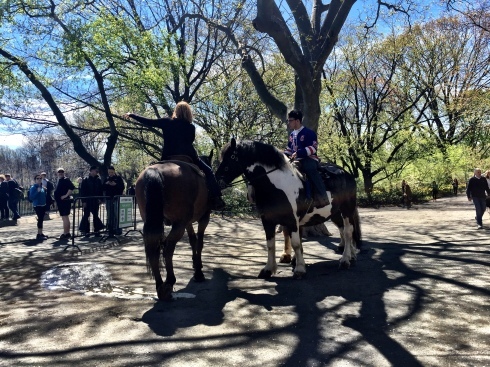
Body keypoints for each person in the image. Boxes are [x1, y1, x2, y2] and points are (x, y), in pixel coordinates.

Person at [124, 101, 226, 210]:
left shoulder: (166, 122)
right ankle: (216, 199)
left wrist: (132, 115)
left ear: (176, 111)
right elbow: (190, 141)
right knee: (209, 171)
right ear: (188, 112)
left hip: (168, 156)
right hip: (188, 156)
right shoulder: (191, 127)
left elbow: (149, 122)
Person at [284, 110, 329, 208]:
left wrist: (299, 153)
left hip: (309, 159)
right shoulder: (292, 135)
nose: (289, 123)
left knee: (309, 168)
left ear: (297, 121)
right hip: (296, 160)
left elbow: (313, 148)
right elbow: (288, 149)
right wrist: (283, 156)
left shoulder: (309, 133)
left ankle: (323, 197)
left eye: (290, 120)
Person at [79, 165, 105, 237]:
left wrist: (101, 199)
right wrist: (83, 201)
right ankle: (86, 231)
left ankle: (97, 230)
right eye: (95, 171)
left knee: (95, 215)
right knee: (86, 215)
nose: (96, 172)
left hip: (95, 201)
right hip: (87, 201)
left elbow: (100, 190)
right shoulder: (85, 180)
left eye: (97, 171)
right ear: (91, 171)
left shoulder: (98, 180)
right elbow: (82, 191)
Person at [54, 168, 75, 240]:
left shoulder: (66, 179)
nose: (60, 173)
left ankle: (66, 233)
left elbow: (72, 187)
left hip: (65, 201)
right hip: (60, 202)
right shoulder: (59, 180)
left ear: (64, 173)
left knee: (65, 217)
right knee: (64, 217)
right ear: (57, 173)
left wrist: (65, 195)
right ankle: (66, 233)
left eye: (62, 172)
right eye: (59, 172)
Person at [103, 165, 125, 235]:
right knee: (109, 214)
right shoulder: (106, 178)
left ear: (114, 172)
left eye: (112, 172)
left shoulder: (118, 178)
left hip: (116, 198)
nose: (110, 174)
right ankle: (110, 229)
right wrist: (106, 184)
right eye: (109, 172)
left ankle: (118, 229)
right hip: (108, 198)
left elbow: (122, 187)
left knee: (117, 214)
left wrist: (115, 184)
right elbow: (102, 188)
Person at [29, 174, 48, 241]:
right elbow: (31, 197)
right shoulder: (33, 187)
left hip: (43, 205)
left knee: (41, 219)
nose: (39, 179)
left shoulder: (42, 187)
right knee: (40, 219)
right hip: (37, 205)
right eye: (38, 178)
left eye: (40, 178)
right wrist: (37, 191)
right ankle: (39, 235)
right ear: (35, 180)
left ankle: (41, 233)